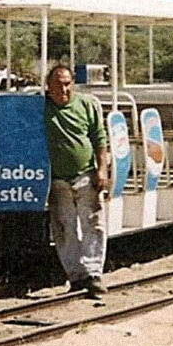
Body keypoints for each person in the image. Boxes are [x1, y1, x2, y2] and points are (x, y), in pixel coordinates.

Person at [42, 63, 111, 297]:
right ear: (48, 87)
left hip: (85, 174)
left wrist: (102, 169)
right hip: (57, 179)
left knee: (93, 223)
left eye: (67, 83)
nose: (64, 89)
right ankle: (76, 275)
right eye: (58, 85)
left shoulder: (86, 105)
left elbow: (99, 138)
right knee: (64, 227)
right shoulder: (40, 108)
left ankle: (94, 273)